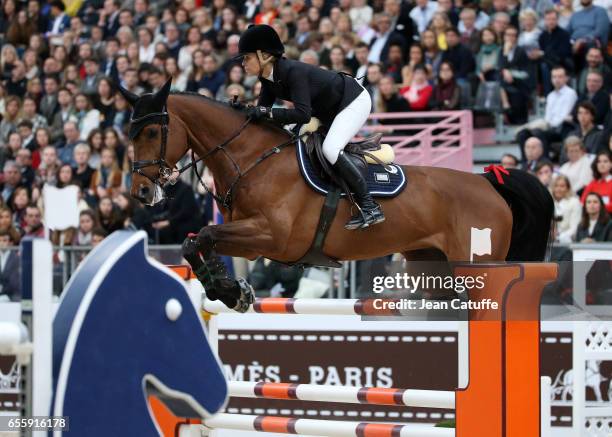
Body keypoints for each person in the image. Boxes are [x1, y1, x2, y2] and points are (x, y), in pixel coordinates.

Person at [236, 24, 383, 230]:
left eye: (247, 58)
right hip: (328, 110)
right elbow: (262, 111)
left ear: (265, 56)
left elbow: (302, 114)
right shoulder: (267, 78)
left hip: (353, 101)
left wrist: (266, 113)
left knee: (330, 149)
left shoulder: (293, 71)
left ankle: (370, 206)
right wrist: (241, 112)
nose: (243, 63)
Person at [551, 175, 582, 243]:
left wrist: (558, 237)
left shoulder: (574, 202)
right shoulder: (549, 203)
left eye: (562, 186)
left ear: (568, 188)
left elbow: (575, 228)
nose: (558, 189)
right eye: (556, 186)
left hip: (568, 241)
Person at [0, 230, 20, 301]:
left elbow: (14, 283)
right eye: (0, 240)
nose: (1, 243)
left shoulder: (16, 259)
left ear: (10, 243)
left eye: (4, 240)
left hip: (12, 295)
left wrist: (1, 288)